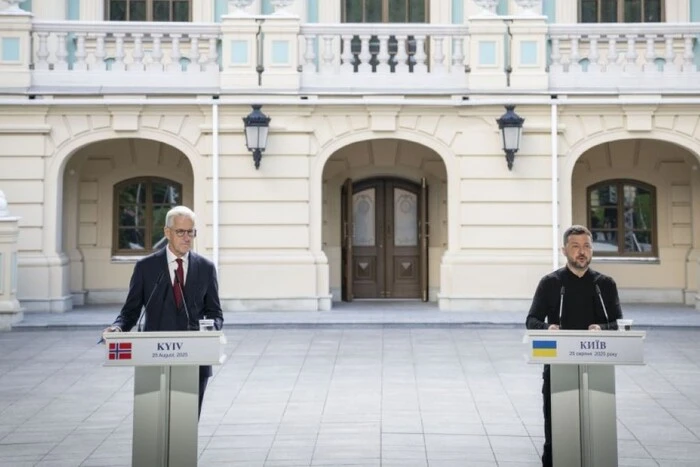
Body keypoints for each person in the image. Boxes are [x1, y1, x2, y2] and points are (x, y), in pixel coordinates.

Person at [103, 205, 223, 416]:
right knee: (153, 421)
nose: (187, 238)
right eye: (180, 232)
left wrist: (211, 328)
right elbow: (130, 311)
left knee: (185, 424)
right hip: (154, 359)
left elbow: (215, 313)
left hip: (195, 360)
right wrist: (118, 328)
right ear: (167, 232)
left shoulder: (206, 268)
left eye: (191, 232)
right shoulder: (146, 267)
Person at [525, 224, 622, 467]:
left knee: (596, 430)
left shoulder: (605, 284)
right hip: (558, 367)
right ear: (564, 250)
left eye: (587, 246)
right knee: (557, 432)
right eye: (576, 246)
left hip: (597, 367)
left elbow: (619, 324)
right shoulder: (550, 283)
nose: (582, 252)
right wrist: (548, 328)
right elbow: (531, 320)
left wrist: (603, 329)